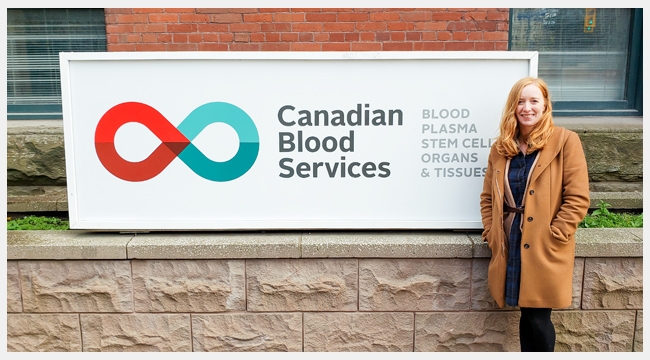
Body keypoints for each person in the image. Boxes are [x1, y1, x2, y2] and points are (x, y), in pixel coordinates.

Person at [479, 77, 590, 352]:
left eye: (533, 101)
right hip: (510, 242)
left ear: (545, 105)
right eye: (520, 101)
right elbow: (487, 197)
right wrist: (491, 232)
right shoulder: (501, 148)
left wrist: (557, 233)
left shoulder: (565, 141)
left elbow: (577, 197)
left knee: (539, 319)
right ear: (513, 107)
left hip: (545, 244)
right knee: (527, 315)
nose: (526, 107)